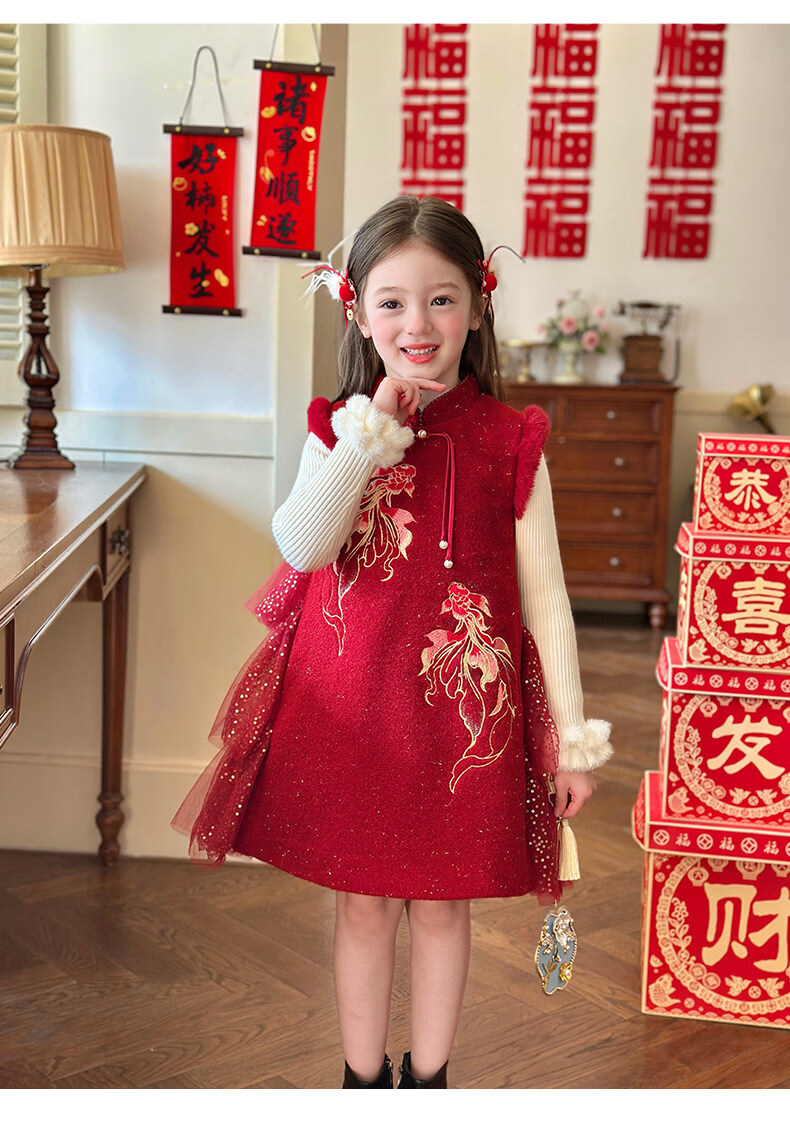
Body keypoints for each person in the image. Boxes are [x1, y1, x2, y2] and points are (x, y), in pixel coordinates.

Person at [172, 195, 612, 1090]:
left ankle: (430, 1083)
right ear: (358, 311)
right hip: (354, 710)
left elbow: (547, 599)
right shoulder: (339, 430)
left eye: (442, 299)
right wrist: (370, 432)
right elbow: (304, 546)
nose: (418, 324)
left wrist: (569, 740)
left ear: (478, 306)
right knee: (364, 905)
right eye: (393, 302)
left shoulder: (512, 441)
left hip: (462, 718)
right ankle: (362, 1083)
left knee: (444, 909)